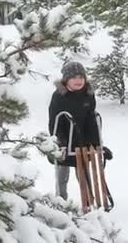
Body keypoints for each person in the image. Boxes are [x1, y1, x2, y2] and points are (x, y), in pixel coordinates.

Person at [48, 61, 100, 200]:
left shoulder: (88, 95)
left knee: (83, 172)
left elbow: (91, 119)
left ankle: (88, 200)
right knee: (62, 173)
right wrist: (61, 142)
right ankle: (61, 199)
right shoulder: (59, 96)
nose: (78, 81)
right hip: (64, 140)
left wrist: (95, 142)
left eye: (81, 77)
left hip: (82, 141)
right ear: (66, 80)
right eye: (74, 78)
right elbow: (54, 121)